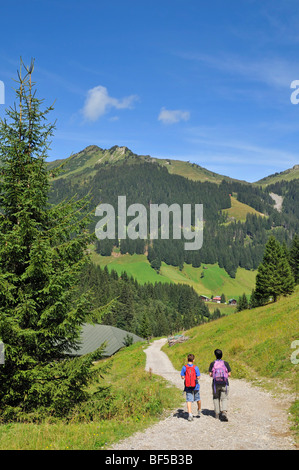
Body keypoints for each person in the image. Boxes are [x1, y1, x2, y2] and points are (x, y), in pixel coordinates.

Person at [209, 349, 231, 421]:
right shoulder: (225, 363)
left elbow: (210, 374)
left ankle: (217, 413)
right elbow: (229, 374)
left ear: (215, 355)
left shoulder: (212, 363)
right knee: (224, 398)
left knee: (216, 397)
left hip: (215, 384)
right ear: (222, 355)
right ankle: (224, 411)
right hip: (224, 383)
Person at [180, 353, 201, 421]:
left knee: (189, 400)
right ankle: (199, 409)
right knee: (198, 399)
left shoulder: (184, 367)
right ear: (193, 360)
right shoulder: (195, 367)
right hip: (196, 386)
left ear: (187, 359)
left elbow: (182, 377)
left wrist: (186, 377)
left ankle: (190, 415)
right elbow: (198, 377)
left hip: (188, 386)